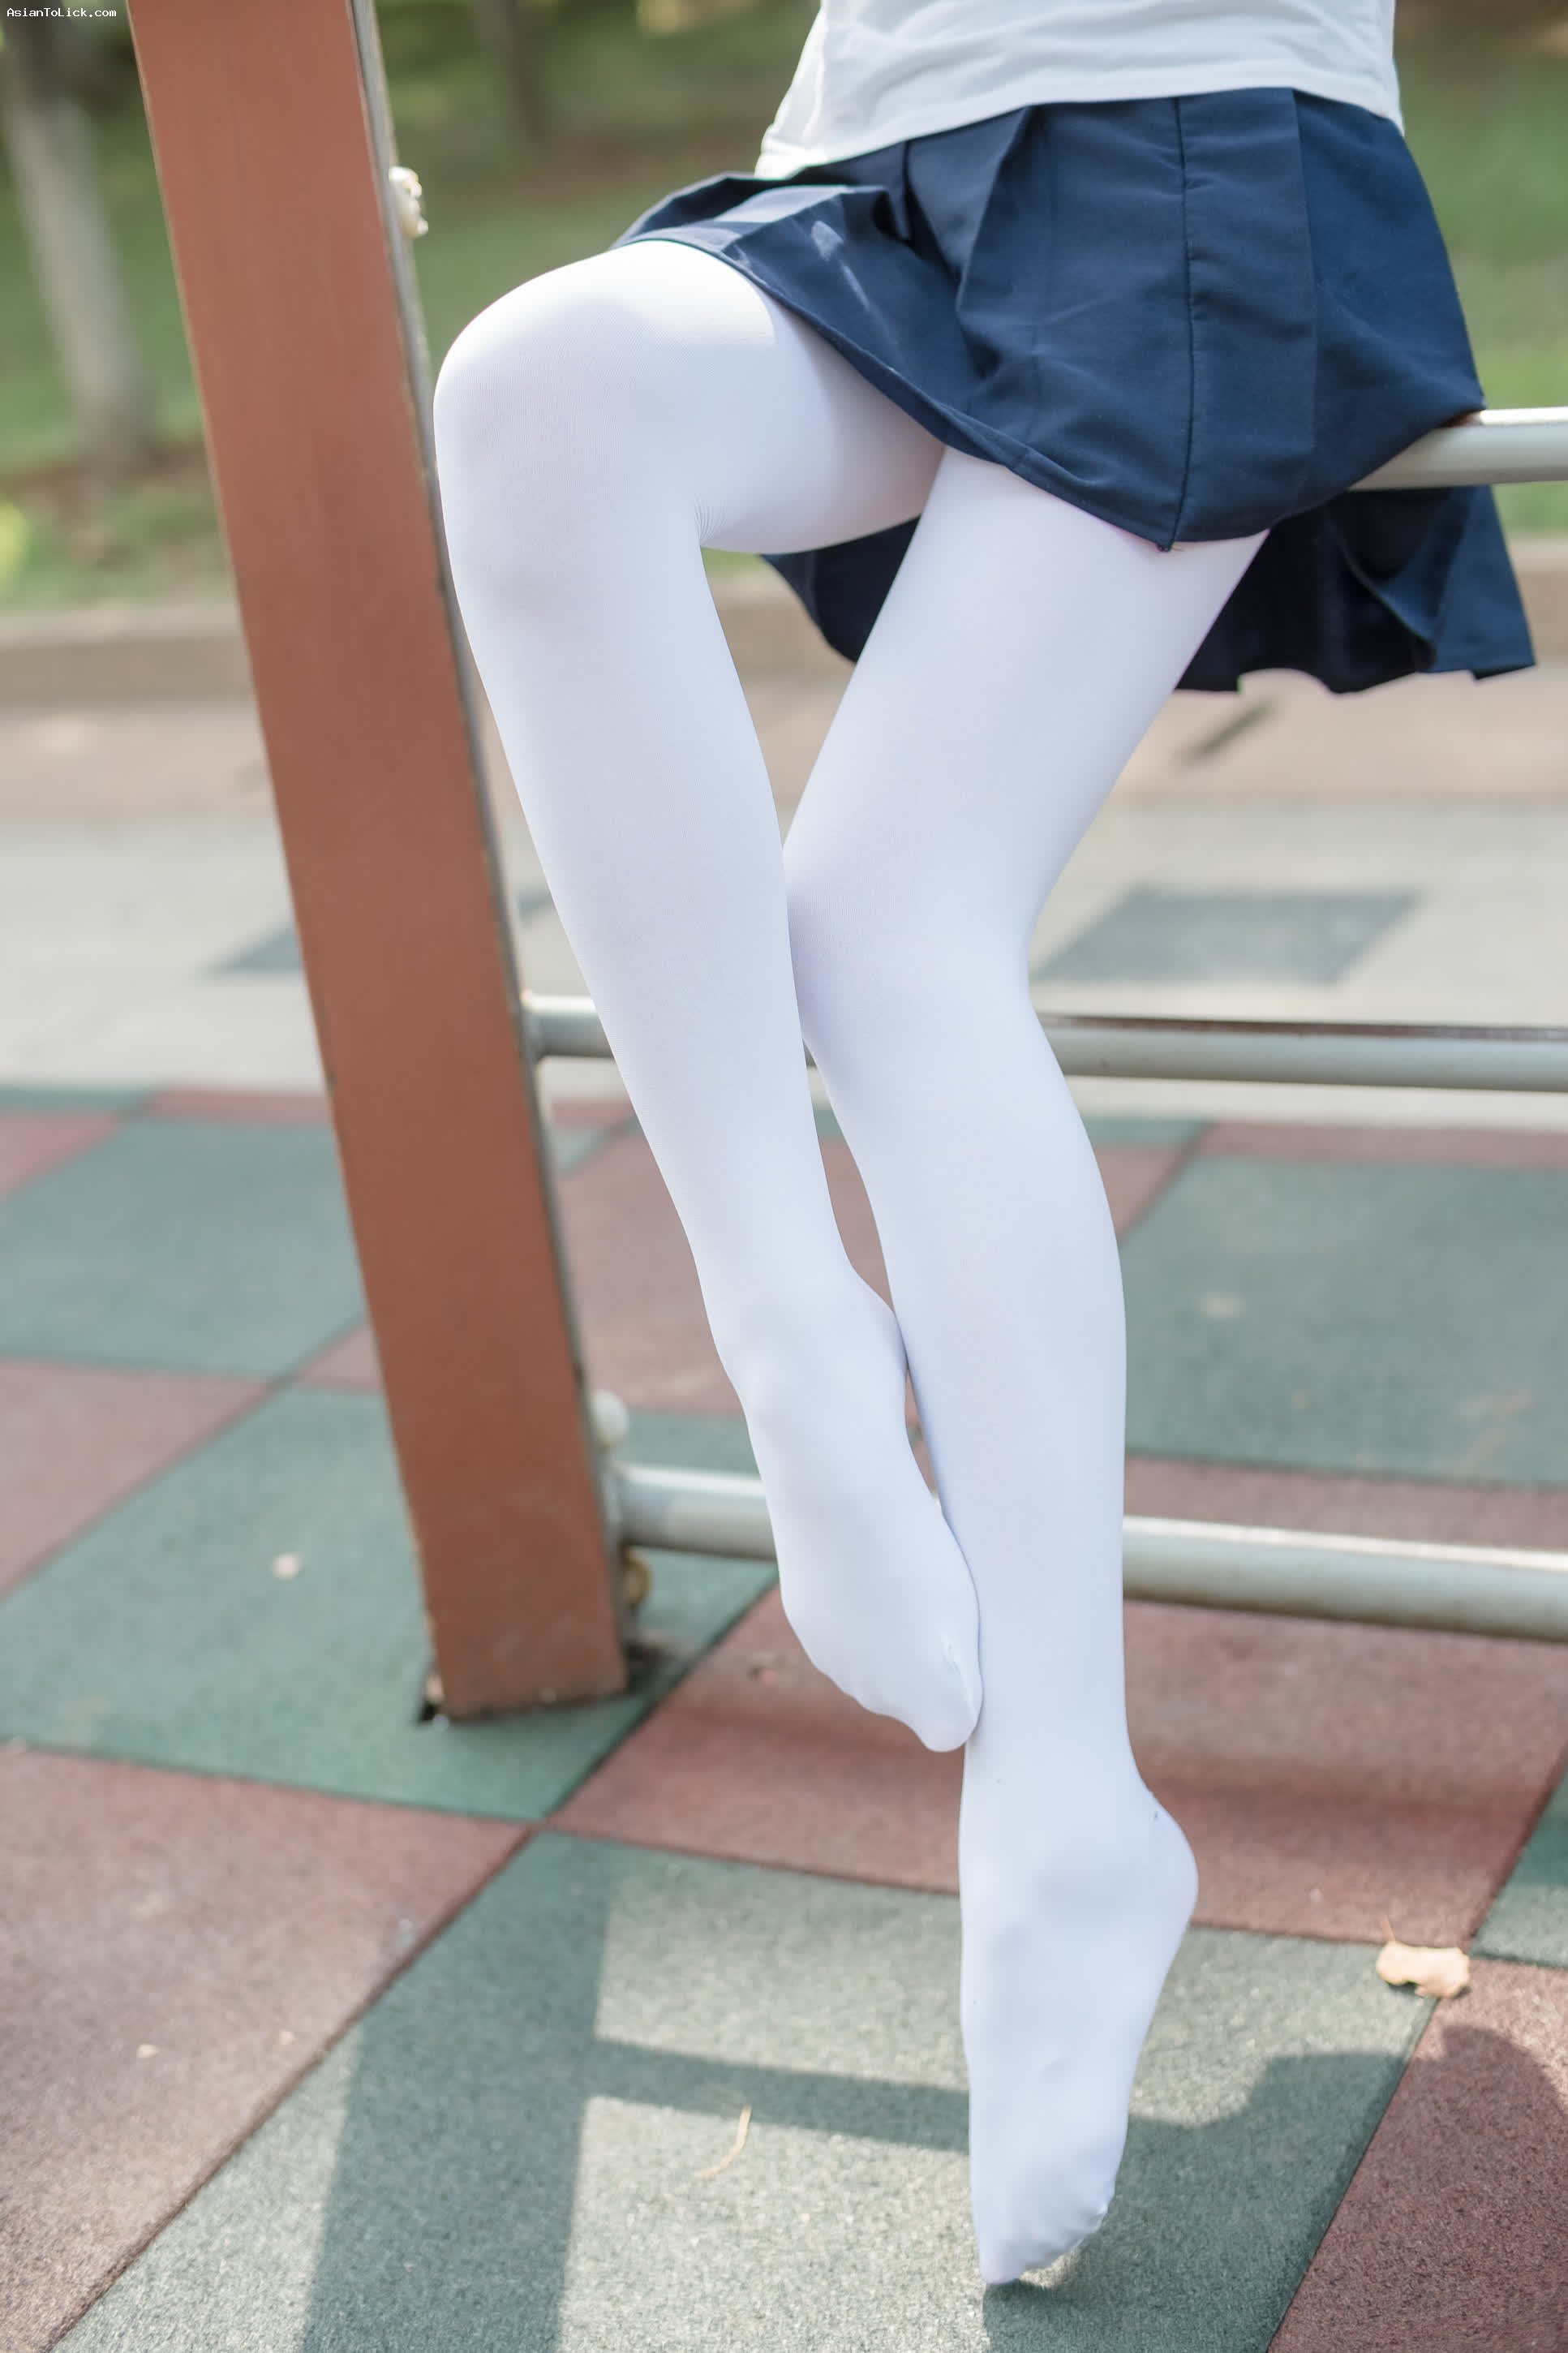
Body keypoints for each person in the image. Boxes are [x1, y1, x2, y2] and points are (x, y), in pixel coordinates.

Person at [429, 0, 1533, 2286]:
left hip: (1195, 136)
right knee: (536, 393)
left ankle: (1061, 1806)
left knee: (887, 920)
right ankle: (789, 1335)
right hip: (882, 170)